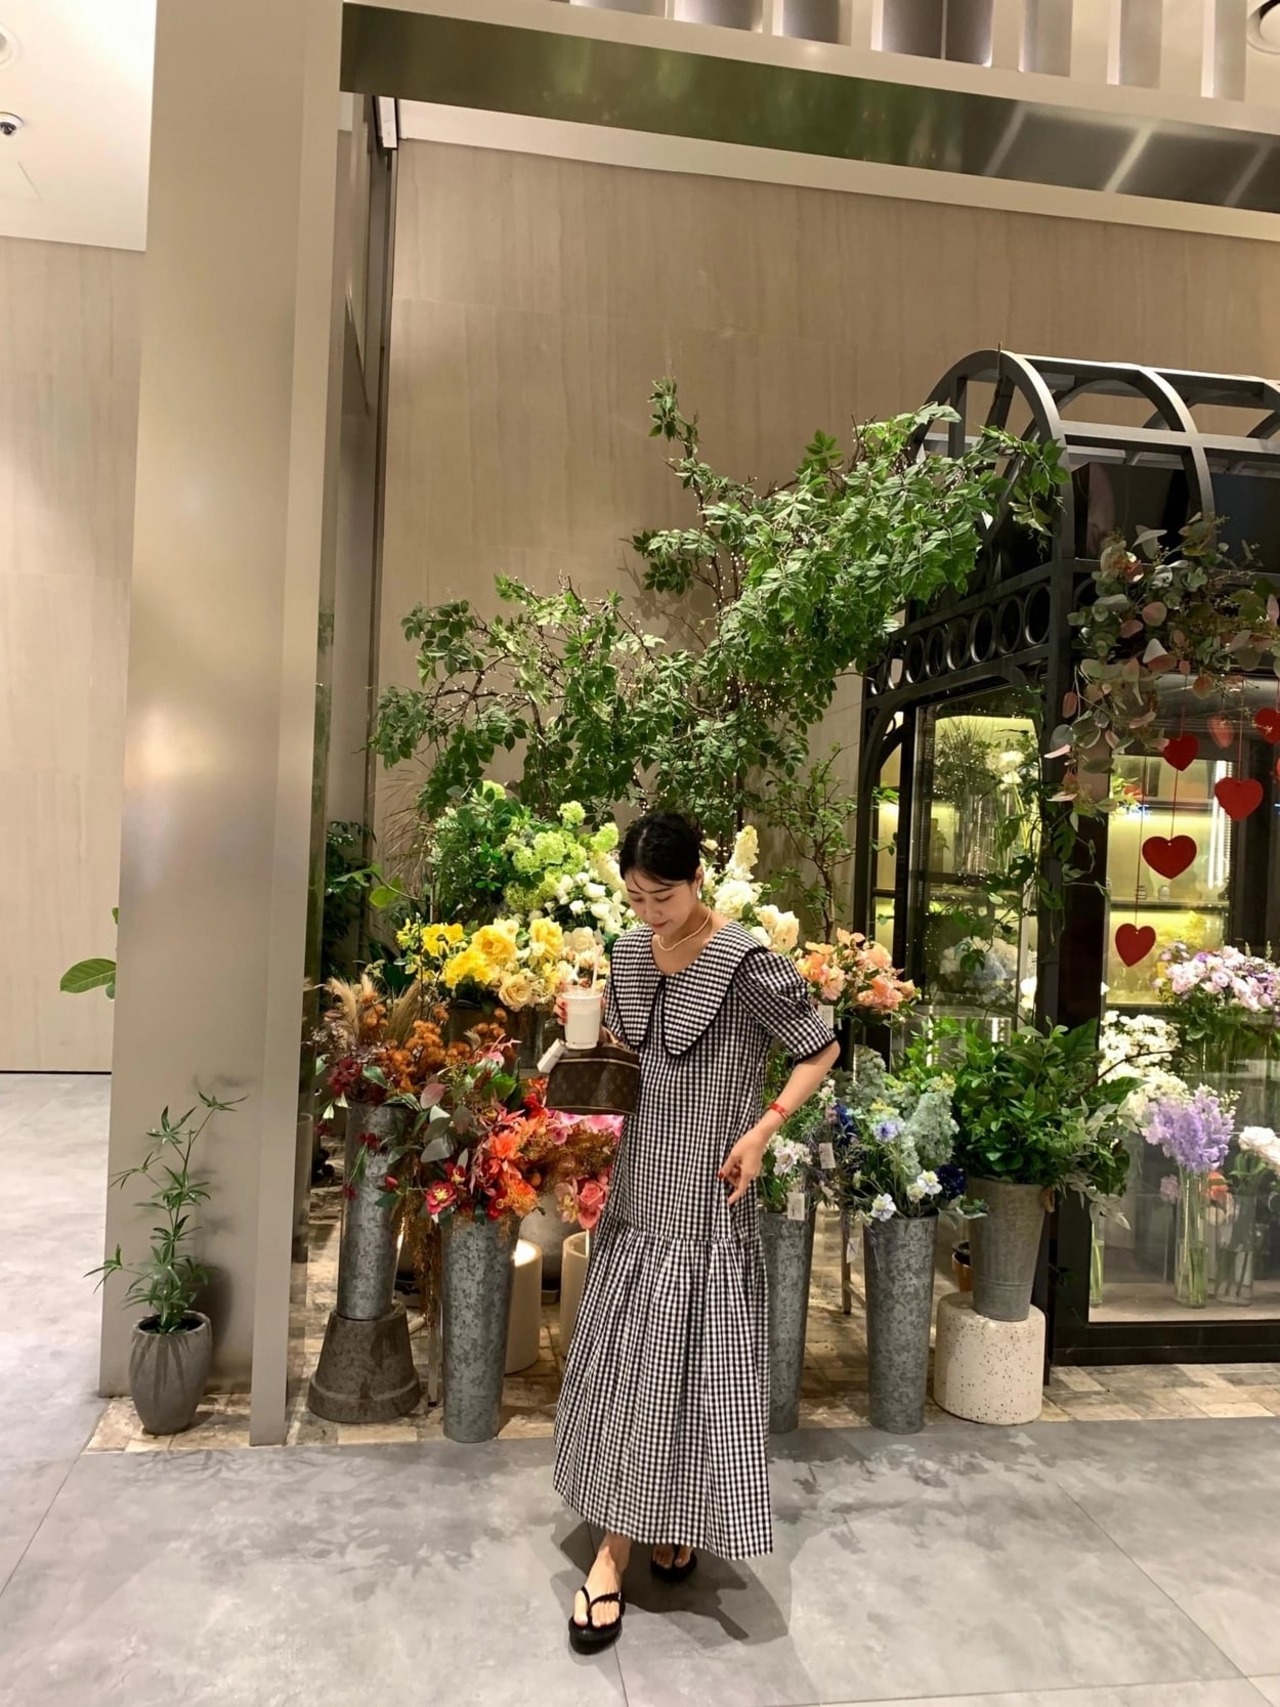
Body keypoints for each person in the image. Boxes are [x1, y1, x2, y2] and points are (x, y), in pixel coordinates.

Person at [553, 810, 840, 1653]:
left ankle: (635, 1539)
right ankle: (625, 1536)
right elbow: (633, 1052)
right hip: (641, 1184)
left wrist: (764, 1129)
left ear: (698, 881)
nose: (650, 912)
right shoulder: (629, 950)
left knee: (688, 1367)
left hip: (711, 1189)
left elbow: (820, 1047)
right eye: (636, 896)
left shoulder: (745, 961)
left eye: (664, 896)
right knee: (633, 1364)